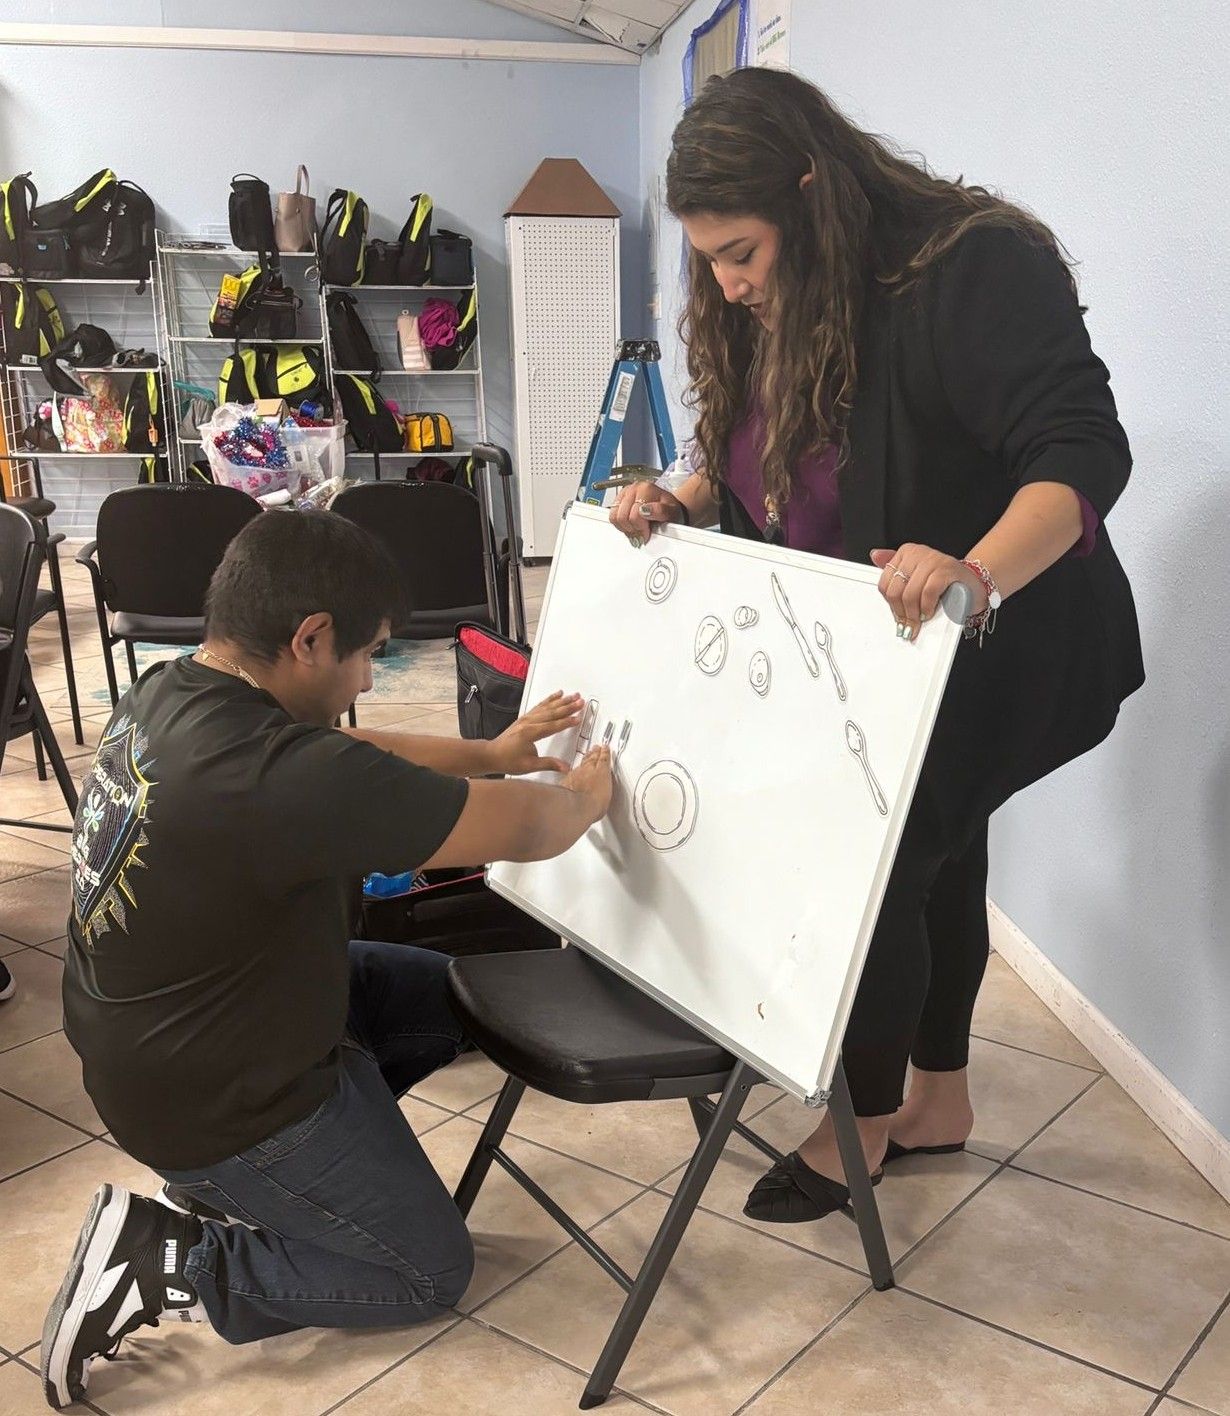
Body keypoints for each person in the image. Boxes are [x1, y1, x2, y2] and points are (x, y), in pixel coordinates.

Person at [611, 67, 1143, 1223]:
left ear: (813, 191)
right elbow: (764, 450)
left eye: (743, 250)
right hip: (877, 644)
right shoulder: (766, 299)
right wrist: (691, 494)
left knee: (887, 860)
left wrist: (974, 569)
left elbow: (1083, 451)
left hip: (1003, 626)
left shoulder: (972, 264)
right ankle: (939, 1098)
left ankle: (860, 1118)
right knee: (937, 852)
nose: (728, 281)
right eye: (708, 259)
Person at [42, 508, 612, 1410]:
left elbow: (355, 749)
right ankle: (173, 1260)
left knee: (467, 995)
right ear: (311, 638)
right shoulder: (274, 775)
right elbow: (530, 829)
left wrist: (496, 751)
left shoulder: (176, 690)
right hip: (213, 1100)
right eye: (367, 656)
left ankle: (292, 1184)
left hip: (186, 1037)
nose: (364, 678)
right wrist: (580, 800)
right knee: (426, 1270)